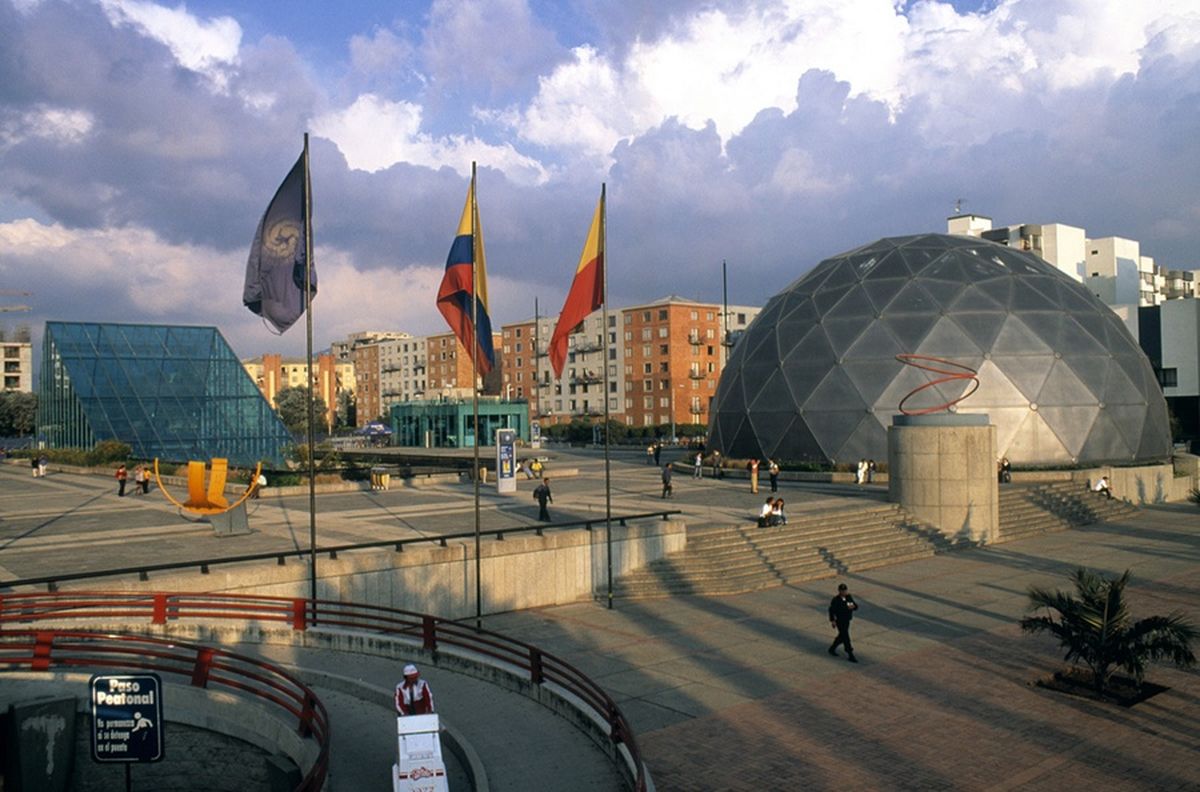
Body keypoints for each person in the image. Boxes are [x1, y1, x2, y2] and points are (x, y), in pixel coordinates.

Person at [828, 582, 859, 662]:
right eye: (842, 590)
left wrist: (852, 606)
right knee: (845, 637)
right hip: (840, 621)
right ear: (839, 591)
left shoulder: (848, 597)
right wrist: (833, 620)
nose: (844, 592)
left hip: (847, 620)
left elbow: (854, 606)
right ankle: (850, 654)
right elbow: (832, 610)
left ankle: (832, 648)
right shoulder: (836, 600)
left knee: (841, 636)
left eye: (845, 590)